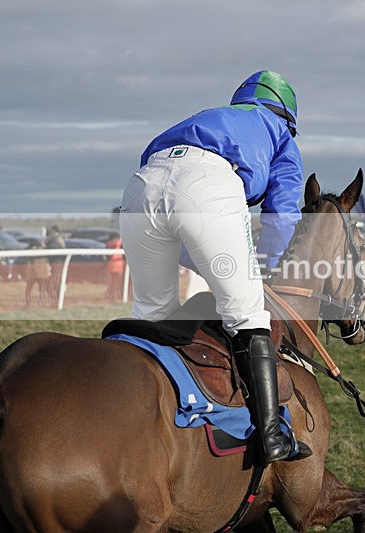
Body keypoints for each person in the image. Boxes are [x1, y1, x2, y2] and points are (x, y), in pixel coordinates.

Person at [119, 70, 310, 464]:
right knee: (248, 313)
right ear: (287, 116)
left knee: (154, 314)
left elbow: (178, 218)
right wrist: (266, 272)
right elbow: (283, 214)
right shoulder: (280, 136)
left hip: (141, 187)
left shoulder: (208, 117)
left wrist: (216, 263)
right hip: (206, 184)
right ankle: (272, 434)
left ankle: (146, 418)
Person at [45, 225, 66, 302]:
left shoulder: (54, 241)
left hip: (56, 264)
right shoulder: (60, 240)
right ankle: (57, 299)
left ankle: (56, 300)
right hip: (58, 264)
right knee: (57, 282)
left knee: (55, 283)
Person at [105, 232, 125, 303]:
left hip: (119, 266)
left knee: (118, 283)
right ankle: (111, 296)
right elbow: (114, 245)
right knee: (112, 283)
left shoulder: (120, 245)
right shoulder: (110, 244)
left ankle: (116, 296)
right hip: (112, 266)